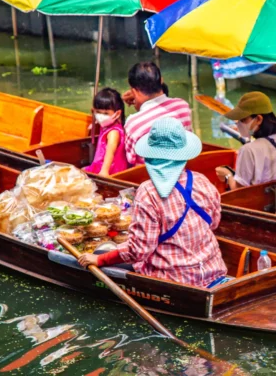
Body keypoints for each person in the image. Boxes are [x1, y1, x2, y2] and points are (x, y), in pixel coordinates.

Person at [78, 117, 228, 288]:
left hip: (173, 280)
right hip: (213, 269)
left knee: (99, 251)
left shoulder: (148, 193)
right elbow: (213, 223)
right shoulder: (202, 181)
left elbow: (138, 251)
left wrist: (100, 258)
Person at [215, 92, 276, 190]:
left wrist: (228, 175)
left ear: (258, 119)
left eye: (243, 120)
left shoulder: (248, 150)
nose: (238, 124)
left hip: (260, 203)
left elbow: (239, 191)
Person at [122, 62, 192, 166]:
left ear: (134, 91)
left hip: (148, 177)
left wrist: (139, 107)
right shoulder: (182, 106)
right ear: (161, 80)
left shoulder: (133, 123)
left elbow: (131, 159)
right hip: (181, 168)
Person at [83, 88, 129, 177]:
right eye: (98, 112)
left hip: (109, 169)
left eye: (106, 113)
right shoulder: (106, 126)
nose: (101, 116)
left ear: (117, 113)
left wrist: (104, 171)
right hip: (98, 165)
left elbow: (110, 153)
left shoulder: (113, 132)